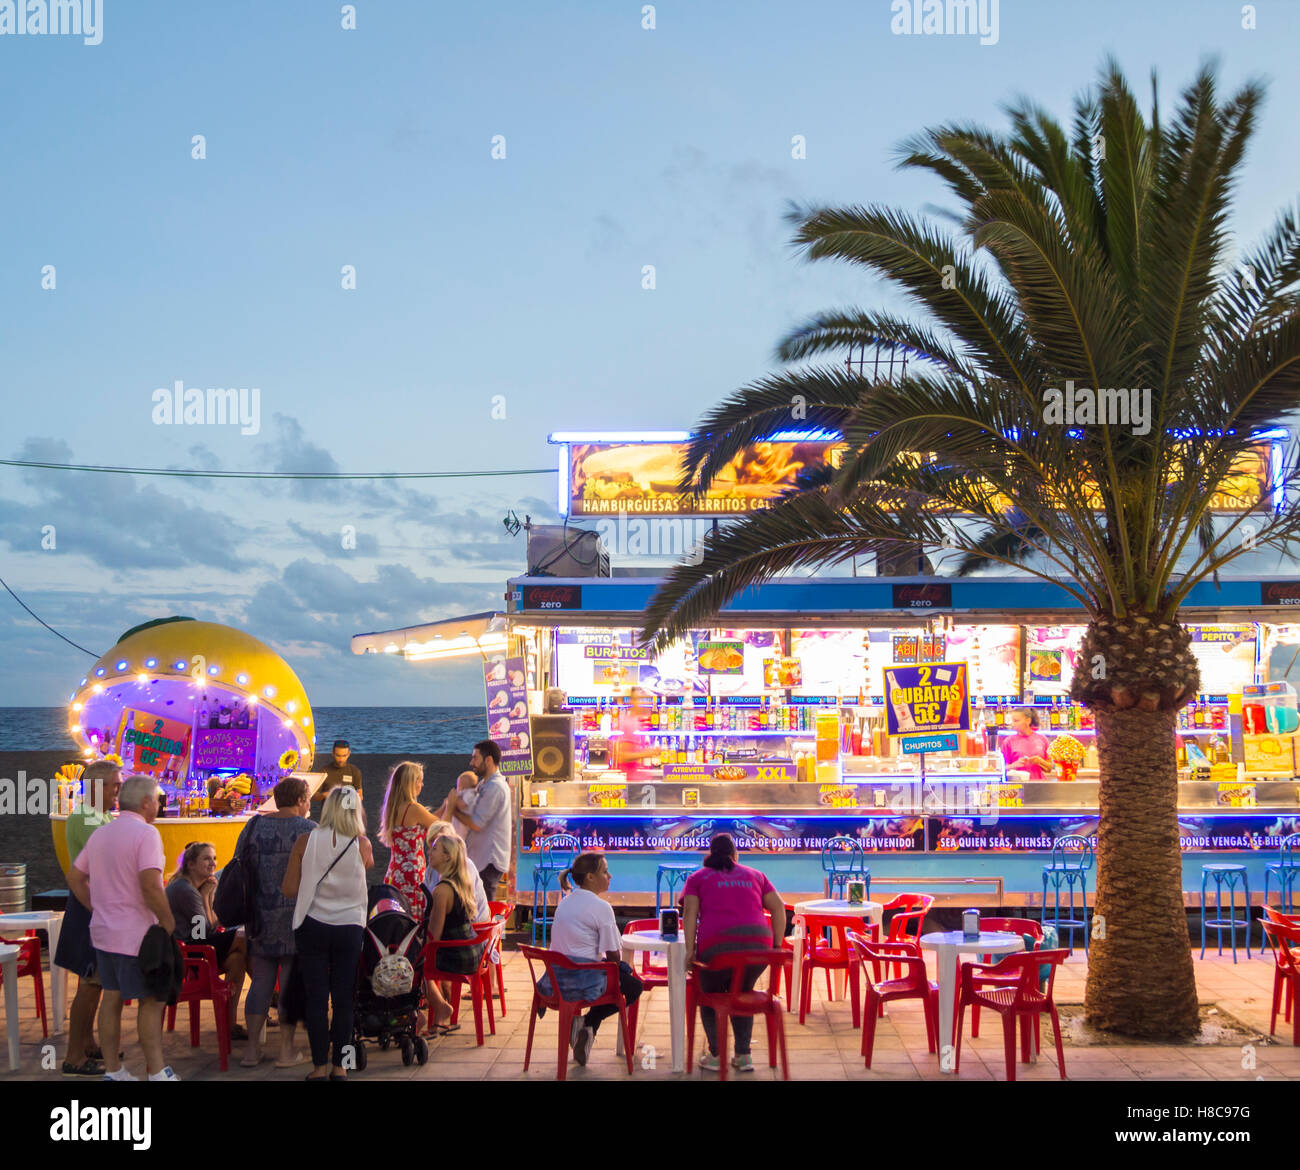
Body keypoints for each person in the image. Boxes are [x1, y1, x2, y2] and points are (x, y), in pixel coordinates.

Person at [68, 774, 181, 1082]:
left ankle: (114, 1071)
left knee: (112, 998)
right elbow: (150, 885)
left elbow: (75, 877)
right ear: (146, 803)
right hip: (137, 935)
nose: (159, 805)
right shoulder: (146, 834)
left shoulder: (102, 833)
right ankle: (157, 1072)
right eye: (158, 800)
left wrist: (97, 906)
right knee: (150, 1002)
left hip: (104, 932)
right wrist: (169, 921)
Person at [283, 785, 373, 1081]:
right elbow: (364, 872)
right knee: (344, 999)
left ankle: (319, 1067)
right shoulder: (363, 845)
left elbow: (290, 889)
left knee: (317, 999)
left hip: (313, 927)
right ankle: (341, 1066)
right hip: (349, 928)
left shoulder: (305, 841)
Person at [681, 833, 786, 1074]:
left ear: (710, 854)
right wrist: (777, 946)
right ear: (735, 855)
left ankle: (716, 1054)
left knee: (708, 993)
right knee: (743, 990)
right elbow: (779, 907)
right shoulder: (756, 875)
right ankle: (743, 1056)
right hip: (757, 953)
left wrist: (689, 951)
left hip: (716, 953)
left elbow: (690, 914)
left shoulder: (697, 877)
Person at [233, 777, 314, 1068]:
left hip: (260, 917)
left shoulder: (253, 826)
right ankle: (286, 1051)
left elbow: (237, 862)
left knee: (261, 985)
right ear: (302, 800)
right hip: (296, 918)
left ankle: (252, 1051)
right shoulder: (310, 830)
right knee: (290, 985)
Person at [55, 760, 121, 1077]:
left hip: (97, 906)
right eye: (114, 786)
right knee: (90, 983)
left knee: (95, 982)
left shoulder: (101, 815)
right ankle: (73, 1056)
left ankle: (89, 1043)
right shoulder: (86, 818)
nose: (118, 792)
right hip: (90, 907)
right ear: (97, 787)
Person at [547, 851, 643, 1067]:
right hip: (582, 980)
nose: (610, 876)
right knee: (634, 986)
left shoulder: (565, 902)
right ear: (590, 877)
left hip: (556, 979)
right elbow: (612, 956)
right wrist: (621, 969)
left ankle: (584, 1026)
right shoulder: (601, 908)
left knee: (619, 974)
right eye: (605, 871)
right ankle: (590, 1024)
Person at [166, 842, 248, 1043]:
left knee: (237, 960)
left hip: (195, 946)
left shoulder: (193, 887)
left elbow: (210, 925)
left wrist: (208, 896)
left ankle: (230, 1024)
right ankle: (270, 995)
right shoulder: (186, 891)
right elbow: (203, 931)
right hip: (190, 954)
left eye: (214, 858)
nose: (213, 863)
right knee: (245, 940)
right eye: (206, 858)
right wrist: (205, 896)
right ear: (191, 864)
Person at [424, 833, 484, 1034]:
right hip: (472, 951)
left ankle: (439, 1009)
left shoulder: (441, 891)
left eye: (434, 848)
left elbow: (434, 937)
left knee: (412, 965)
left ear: (448, 856)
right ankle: (435, 1009)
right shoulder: (461, 883)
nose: (429, 852)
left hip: (458, 956)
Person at [444, 739, 511, 901]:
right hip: (479, 858)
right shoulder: (485, 784)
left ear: (488, 760)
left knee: (484, 912)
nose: (471, 762)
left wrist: (452, 808)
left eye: (475, 758)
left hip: (488, 860)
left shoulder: (495, 787)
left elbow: (476, 823)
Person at [378, 761, 436, 922]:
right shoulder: (414, 809)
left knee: (398, 920)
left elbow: (428, 819)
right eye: (419, 780)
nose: (422, 785)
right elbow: (438, 824)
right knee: (413, 921)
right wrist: (451, 805)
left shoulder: (393, 807)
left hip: (395, 873)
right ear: (411, 783)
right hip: (412, 875)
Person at [427, 820, 490, 922]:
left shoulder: (466, 865)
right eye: (432, 843)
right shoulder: (431, 869)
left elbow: (466, 912)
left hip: (475, 926)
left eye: (440, 842)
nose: (430, 851)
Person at [1001, 707, 1053, 779]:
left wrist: (1040, 761)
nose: (1013, 724)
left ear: (1028, 721)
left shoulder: (1042, 739)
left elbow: (1049, 768)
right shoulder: (1008, 742)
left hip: (1039, 785)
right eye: (1012, 721)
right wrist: (1014, 765)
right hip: (1017, 785)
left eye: (1016, 721)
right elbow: (1000, 769)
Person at [312, 739, 363, 806]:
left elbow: (360, 796)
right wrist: (324, 795)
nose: (341, 759)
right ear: (332, 753)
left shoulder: (355, 771)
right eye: (338, 755)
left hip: (347, 813)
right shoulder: (324, 771)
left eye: (344, 756)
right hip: (328, 813)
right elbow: (314, 796)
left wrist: (352, 796)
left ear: (349, 754)